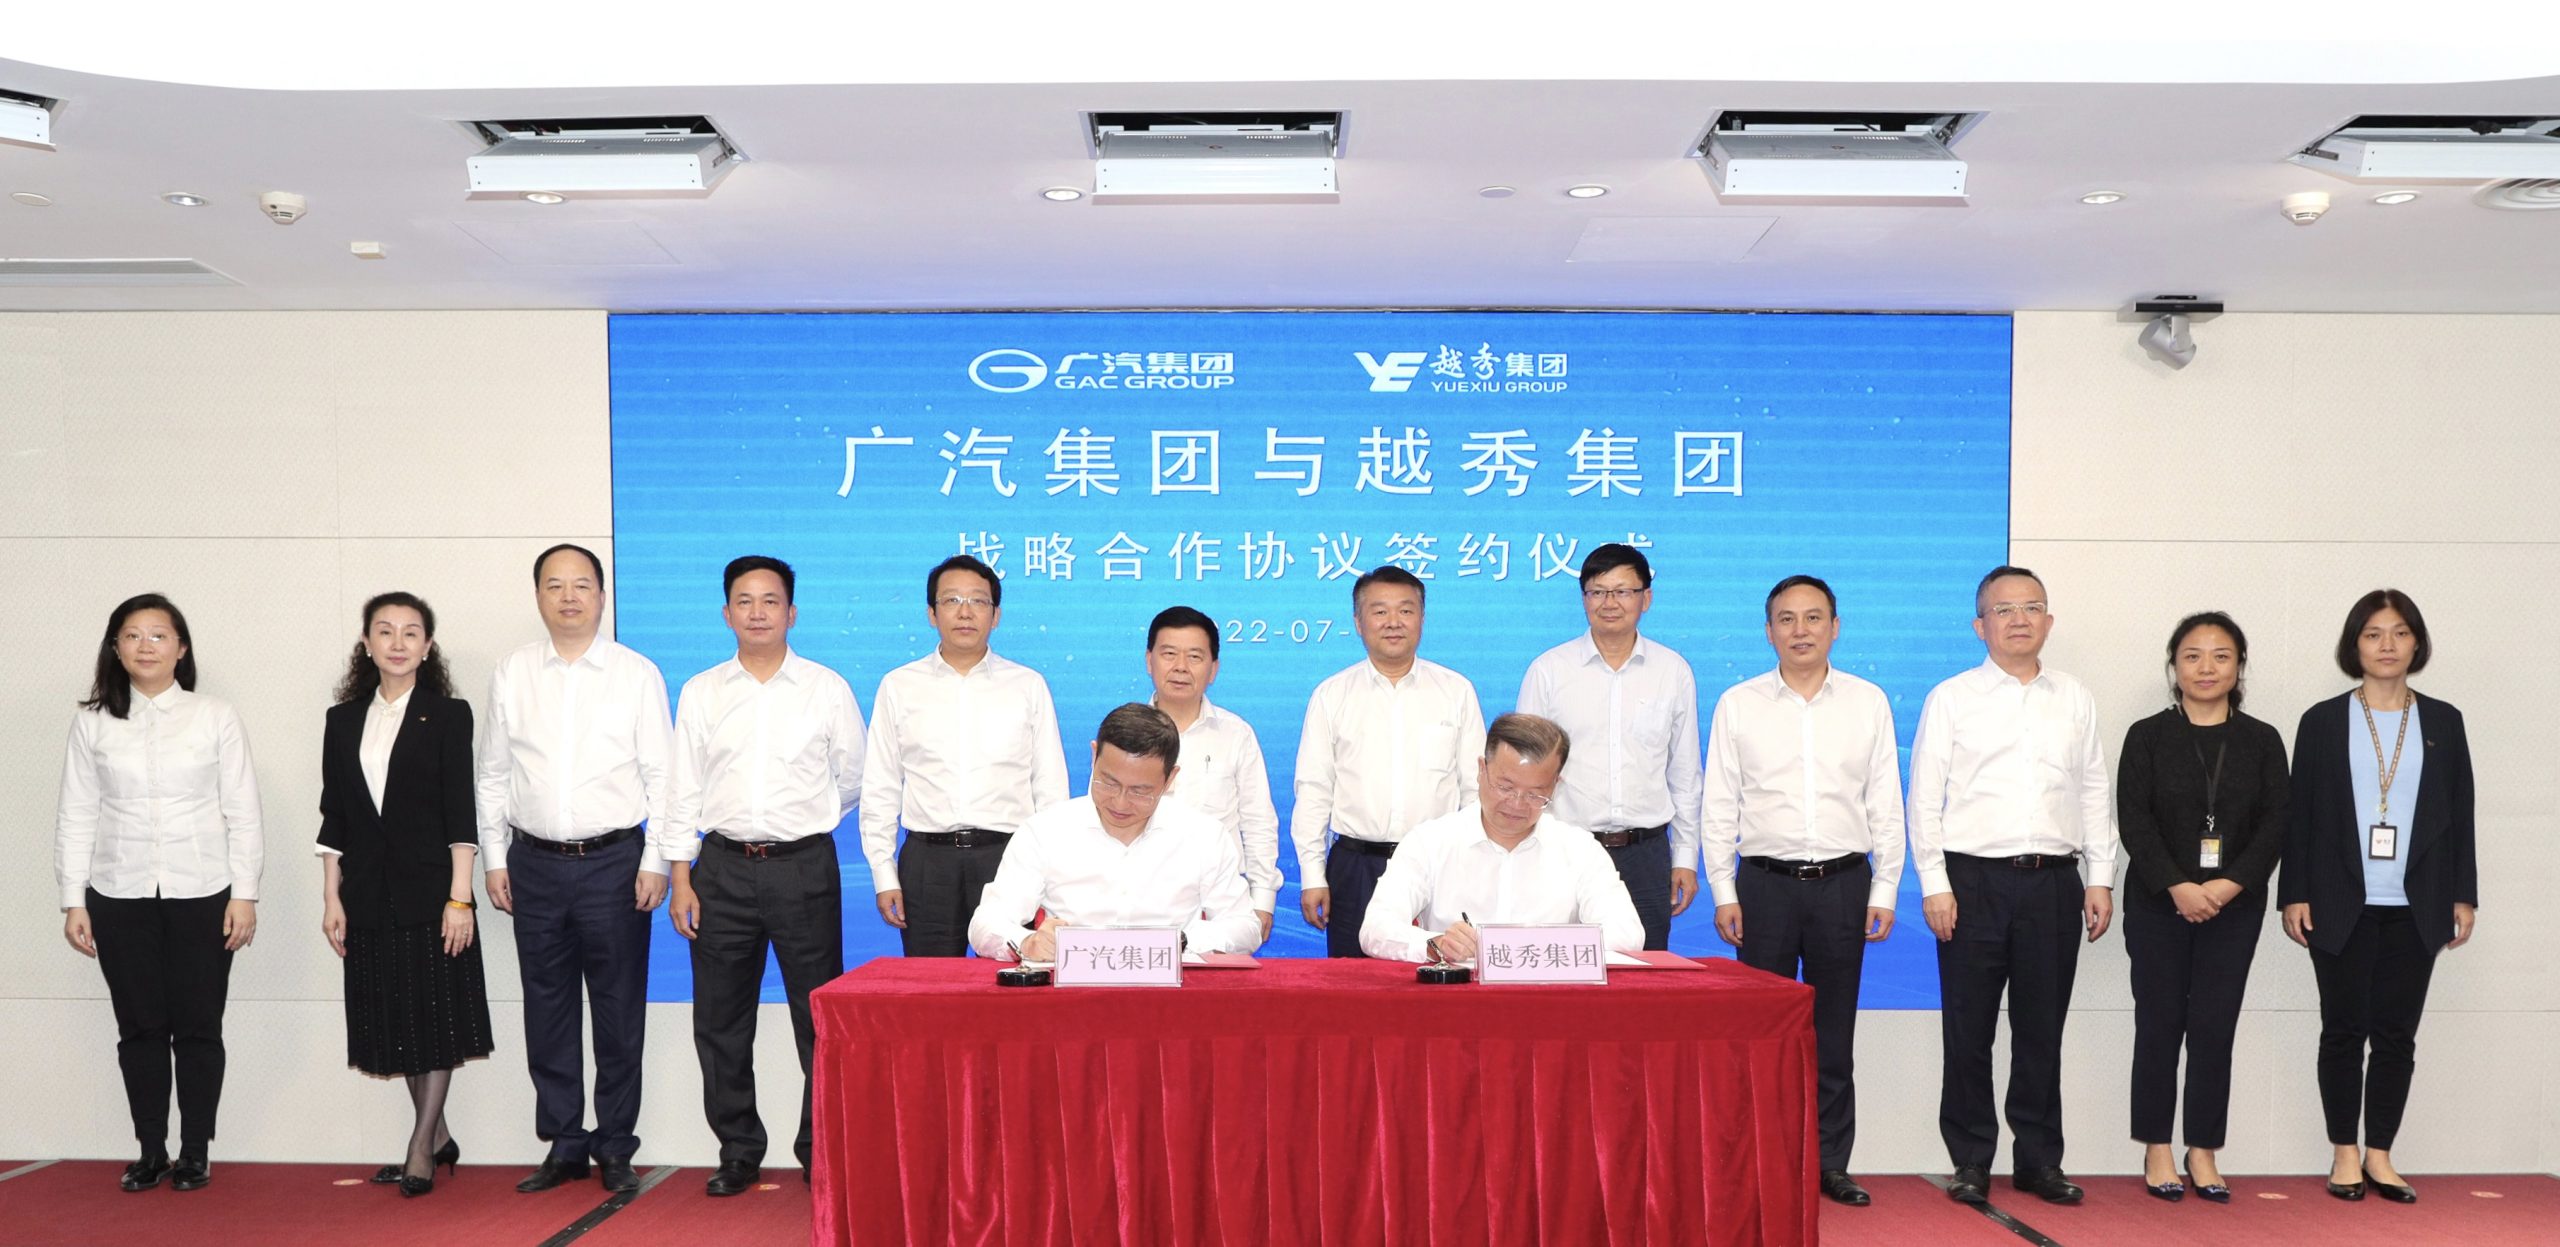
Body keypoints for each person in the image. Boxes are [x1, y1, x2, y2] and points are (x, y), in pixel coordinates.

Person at [1909, 566, 2116, 1207]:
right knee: (1968, 1031)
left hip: (2054, 883)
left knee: (2041, 1030)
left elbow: (2093, 789)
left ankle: (2038, 1160)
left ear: (2048, 621)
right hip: (1972, 882)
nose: (2019, 619)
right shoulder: (1952, 697)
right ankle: (1971, 1159)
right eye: (2004, 610)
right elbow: (1925, 798)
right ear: (1980, 625)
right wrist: (1935, 883)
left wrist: (2100, 877)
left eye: (2031, 607)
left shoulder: (2074, 696)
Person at [660, 556, 865, 1195]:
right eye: (744, 601)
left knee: (818, 1018)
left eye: (770, 601)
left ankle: (820, 1150)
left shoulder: (825, 688)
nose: (757, 612)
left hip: (803, 868)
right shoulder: (702, 691)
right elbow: (681, 789)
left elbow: (853, 778)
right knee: (721, 1020)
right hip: (719, 869)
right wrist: (681, 877)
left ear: (791, 613)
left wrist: (805, 821)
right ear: (726, 614)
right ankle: (738, 1150)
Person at [1700, 575, 1904, 1207]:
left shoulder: (1867, 701)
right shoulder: (1738, 703)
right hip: (1764, 887)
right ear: (1769, 632)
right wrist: (1722, 890)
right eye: (1786, 619)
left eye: (1814, 617)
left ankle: (1829, 1164)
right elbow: (1719, 803)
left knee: (1831, 1035)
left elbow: (1885, 800)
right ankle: (1760, 1163)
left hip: (1844, 885)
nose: (1800, 630)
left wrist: (1886, 888)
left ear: (1835, 627)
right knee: (1761, 1034)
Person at [477, 543, 674, 1195]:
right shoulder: (513, 672)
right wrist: (495, 857)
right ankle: (564, 1142)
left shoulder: (635, 672)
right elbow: (493, 772)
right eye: (555, 585)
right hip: (533, 864)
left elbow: (662, 775)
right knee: (548, 1007)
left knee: (618, 1010)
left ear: (602, 596)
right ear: (538, 596)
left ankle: (615, 1145)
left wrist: (655, 860)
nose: (569, 597)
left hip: (615, 863)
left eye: (582, 585)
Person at [56, 593, 264, 1193]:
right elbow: (76, 813)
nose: (145, 646)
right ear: (115, 648)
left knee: (199, 1026)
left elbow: (243, 811)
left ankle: (195, 1150)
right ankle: (151, 1149)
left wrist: (244, 893)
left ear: (181, 648)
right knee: (140, 1027)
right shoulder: (93, 722)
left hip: (203, 891)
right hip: (118, 893)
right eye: (132, 635)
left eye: (158, 635)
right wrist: (73, 899)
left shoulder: (214, 715)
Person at [2280, 590, 2476, 1205]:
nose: (2387, 645)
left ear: (2417, 642)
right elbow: (2299, 815)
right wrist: (2294, 892)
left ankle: (2380, 1154)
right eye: (2372, 634)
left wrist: (2463, 894)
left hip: (2418, 902)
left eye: (2399, 633)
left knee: (2396, 1034)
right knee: (2342, 1029)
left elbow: (2460, 812)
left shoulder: (2443, 721)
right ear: (2354, 645)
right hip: (2339, 899)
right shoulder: (2322, 720)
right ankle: (2344, 1150)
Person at [316, 591, 494, 1198]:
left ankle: (421, 1146)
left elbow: (460, 812)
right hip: (367, 894)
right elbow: (335, 815)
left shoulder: (448, 715)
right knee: (397, 1020)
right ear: (367, 644)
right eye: (385, 631)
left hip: (432, 894)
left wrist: (460, 899)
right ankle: (438, 1135)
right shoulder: (342, 720)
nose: (397, 643)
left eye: (411, 632)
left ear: (428, 646)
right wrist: (332, 897)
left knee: (435, 1019)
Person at [2117, 611, 2287, 1203]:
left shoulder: (2262, 740)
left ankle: (2204, 1149)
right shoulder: (2147, 736)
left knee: (2214, 1028)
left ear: (2239, 666)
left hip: (2233, 909)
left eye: (2221, 656)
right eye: (2192, 656)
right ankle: (2156, 1146)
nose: (2206, 667)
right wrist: (2179, 886)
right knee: (2158, 1024)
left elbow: (2276, 824)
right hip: (2157, 904)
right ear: (2174, 666)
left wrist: (2228, 885)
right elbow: (2134, 820)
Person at [861, 554, 1068, 957]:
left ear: (996, 615)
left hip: (1009, 858)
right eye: (952, 600)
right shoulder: (899, 686)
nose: (965, 612)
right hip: (927, 860)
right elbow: (880, 786)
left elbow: (1050, 787)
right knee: (932, 985)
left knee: (1015, 977)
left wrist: (1051, 874)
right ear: (931, 613)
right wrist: (884, 874)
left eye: (978, 600)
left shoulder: (1027, 685)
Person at [1517, 543, 1703, 951]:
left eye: (1623, 591)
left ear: (1646, 598)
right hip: (1567, 850)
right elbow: (1524, 773)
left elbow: (1685, 774)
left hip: (1646, 854)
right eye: (1598, 592)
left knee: (1645, 973)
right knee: (1562, 969)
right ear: (1584, 599)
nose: (1610, 603)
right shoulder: (1549, 671)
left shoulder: (1672, 671)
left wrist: (1686, 858)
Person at [968, 704, 1263, 960]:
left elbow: (1245, 927)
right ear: (1094, 755)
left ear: (1170, 778)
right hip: (1072, 994)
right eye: (1108, 783)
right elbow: (985, 923)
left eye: (1140, 791)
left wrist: (1181, 942)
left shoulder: (1203, 836)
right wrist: (1027, 942)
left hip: (1172, 994)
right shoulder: (1045, 831)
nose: (1120, 803)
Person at [1294, 566, 1486, 957]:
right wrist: (1313, 875)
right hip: (1356, 867)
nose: (1393, 622)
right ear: (1358, 622)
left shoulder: (1456, 691)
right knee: (1355, 984)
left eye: (1406, 610)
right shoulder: (1332, 695)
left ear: (1422, 618)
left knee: (1443, 975)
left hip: (1438, 866)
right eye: (1380, 611)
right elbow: (1314, 790)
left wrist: (1472, 865)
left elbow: (1475, 789)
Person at [1358, 713, 1643, 962]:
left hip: (1548, 997)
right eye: (1505, 787)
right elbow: (1375, 928)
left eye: (1535, 794)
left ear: (1555, 785)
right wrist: (1435, 945)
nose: (1517, 804)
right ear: (1482, 770)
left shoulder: (1580, 850)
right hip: (1456, 998)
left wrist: (1535, 948)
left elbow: (1627, 935)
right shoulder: (1429, 842)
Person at [1144, 606, 1281, 945]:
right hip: (1141, 896)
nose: (1180, 667)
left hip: (1219, 901)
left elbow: (1258, 820)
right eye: (1169, 654)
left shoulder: (1236, 734)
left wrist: (1262, 898)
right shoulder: (1123, 733)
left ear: (1213, 669)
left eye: (1194, 656)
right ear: (1149, 661)